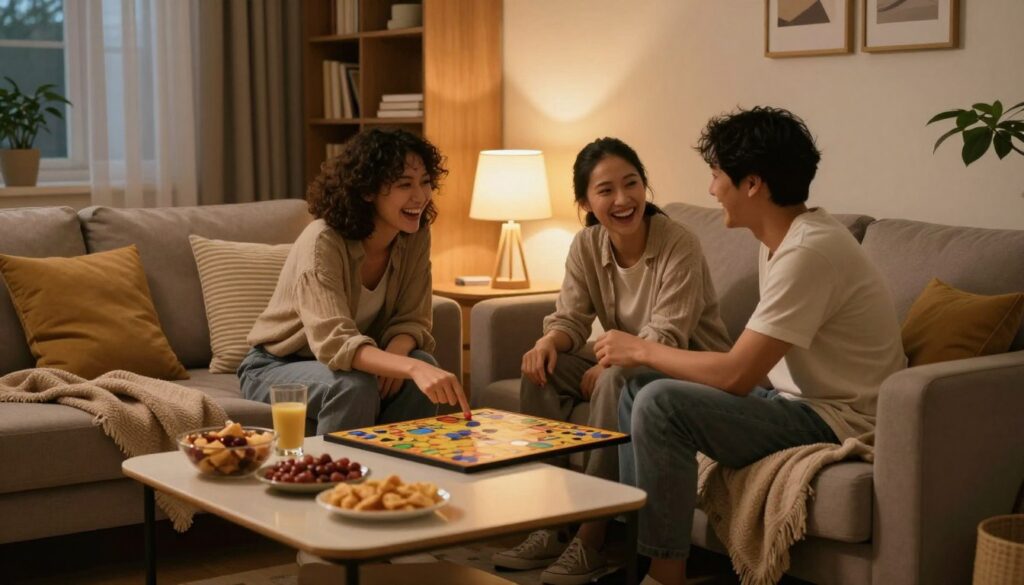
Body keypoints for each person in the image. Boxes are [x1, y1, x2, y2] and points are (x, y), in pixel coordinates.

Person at [597, 107, 907, 585]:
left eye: (716, 174)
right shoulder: (780, 238)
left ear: (753, 184)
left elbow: (738, 375)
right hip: (794, 403)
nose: (711, 189)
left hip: (838, 418)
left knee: (660, 402)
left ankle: (665, 576)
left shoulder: (808, 252)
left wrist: (640, 348)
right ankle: (642, 557)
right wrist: (643, 361)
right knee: (639, 388)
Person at [492, 137, 732, 584]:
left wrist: (609, 363)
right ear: (585, 201)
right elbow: (570, 318)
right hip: (625, 360)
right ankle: (551, 523)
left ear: (645, 187)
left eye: (632, 184)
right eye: (606, 190)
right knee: (539, 372)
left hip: (684, 368)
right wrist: (549, 342)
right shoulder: (586, 245)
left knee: (614, 377)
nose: (623, 200)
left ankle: (592, 537)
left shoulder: (679, 243)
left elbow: (667, 334)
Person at [239, 128, 469, 436]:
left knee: (421, 360)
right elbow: (335, 341)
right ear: (367, 191)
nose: (420, 196)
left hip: (353, 361)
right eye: (404, 184)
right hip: (275, 366)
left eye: (425, 182)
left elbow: (413, 319)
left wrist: (401, 357)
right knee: (355, 385)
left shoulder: (415, 235)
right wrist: (409, 367)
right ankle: (335, 481)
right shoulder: (323, 241)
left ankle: (401, 479)